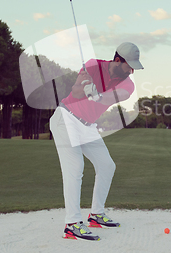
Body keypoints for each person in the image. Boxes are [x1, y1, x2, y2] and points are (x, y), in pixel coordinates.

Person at [49, 42, 143, 241]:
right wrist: (84, 85)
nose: (132, 70)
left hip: (87, 126)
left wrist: (98, 95)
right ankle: (72, 224)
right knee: (75, 168)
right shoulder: (92, 65)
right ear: (118, 60)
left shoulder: (128, 83)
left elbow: (115, 96)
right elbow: (75, 91)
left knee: (107, 165)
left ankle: (96, 215)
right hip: (66, 119)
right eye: (129, 65)